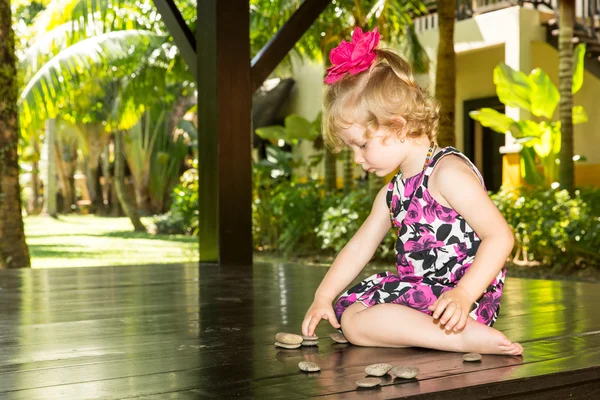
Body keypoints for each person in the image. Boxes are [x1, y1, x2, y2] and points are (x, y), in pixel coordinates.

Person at [301, 27, 523, 356]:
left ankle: (461, 337)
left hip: (459, 302)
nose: (358, 159)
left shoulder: (448, 174)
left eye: (362, 145)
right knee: (351, 318)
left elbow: (501, 237)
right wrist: (323, 295)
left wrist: (463, 294)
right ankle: (429, 334)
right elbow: (359, 247)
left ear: (398, 126)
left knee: (355, 324)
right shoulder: (394, 192)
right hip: (420, 295)